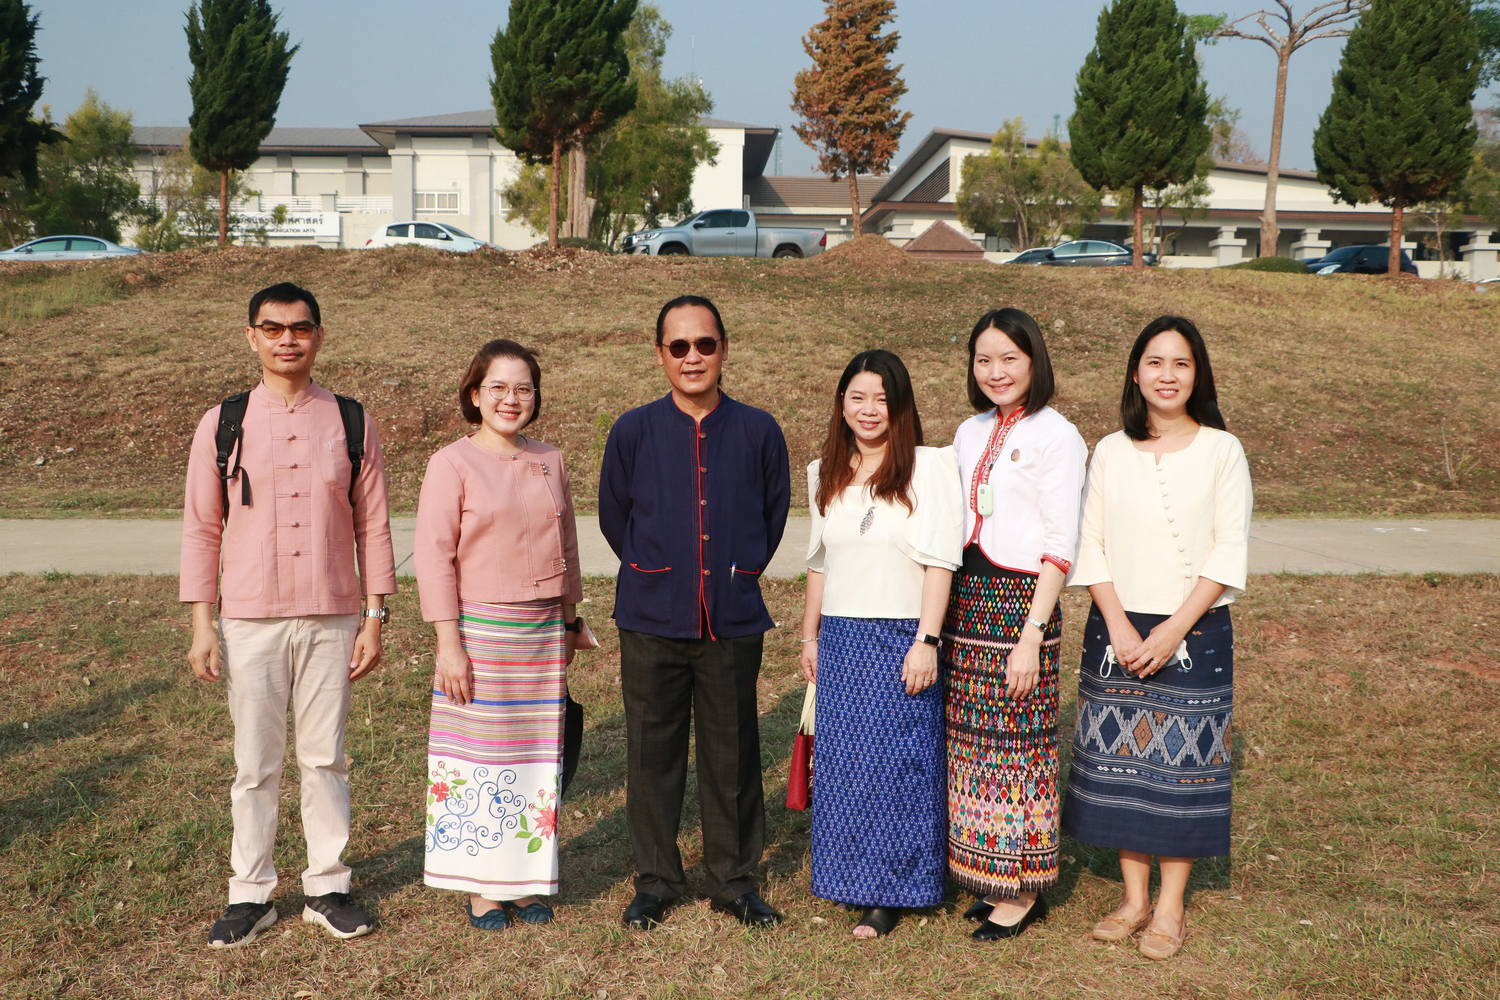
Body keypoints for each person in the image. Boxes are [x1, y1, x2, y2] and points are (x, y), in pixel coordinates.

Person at [181, 282, 396, 948]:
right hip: (251, 619)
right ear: (252, 337)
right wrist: (201, 623)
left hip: (333, 615)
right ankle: (251, 894)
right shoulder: (223, 423)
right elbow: (201, 528)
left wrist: (375, 617)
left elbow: (375, 525)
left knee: (325, 756)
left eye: (300, 328)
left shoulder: (351, 420)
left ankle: (327, 887)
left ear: (319, 336)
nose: (287, 339)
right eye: (272, 328)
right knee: (256, 762)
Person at [1062, 315, 1252, 961]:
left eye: (1181, 363)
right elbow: (1089, 542)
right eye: (1154, 362)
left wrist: (1173, 628)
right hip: (1115, 627)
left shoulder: (1222, 450)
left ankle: (1170, 907)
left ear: (1197, 374)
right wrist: (1117, 624)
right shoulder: (1110, 450)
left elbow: (1230, 549)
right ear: (1135, 373)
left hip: (1194, 631)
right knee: (1120, 764)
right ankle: (1133, 898)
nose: (1166, 375)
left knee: (1180, 768)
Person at [598, 295, 791, 930]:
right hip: (651, 617)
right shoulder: (632, 430)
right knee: (652, 754)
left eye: (704, 344)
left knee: (732, 752)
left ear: (723, 349)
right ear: (660, 354)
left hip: (730, 616)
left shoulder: (759, 430)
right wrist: (655, 569)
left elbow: (772, 513)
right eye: (678, 346)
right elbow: (613, 517)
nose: (692, 357)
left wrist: (742, 570)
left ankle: (733, 880)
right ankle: (655, 881)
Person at [414, 339, 583, 931]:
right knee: (479, 762)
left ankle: (526, 880)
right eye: (499, 388)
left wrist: (569, 620)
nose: (512, 399)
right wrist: (448, 644)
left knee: (535, 760)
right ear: (475, 395)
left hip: (539, 636)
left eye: (524, 389)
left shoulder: (550, 459)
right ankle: (483, 889)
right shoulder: (451, 462)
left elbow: (566, 546)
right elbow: (434, 557)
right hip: (479, 634)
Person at [798, 350, 963, 939]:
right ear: (841, 404)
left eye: (882, 400)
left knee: (899, 766)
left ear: (901, 407)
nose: (869, 411)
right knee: (845, 769)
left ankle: (895, 889)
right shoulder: (826, 471)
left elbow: (942, 562)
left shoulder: (928, 468)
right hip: (842, 638)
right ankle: (848, 878)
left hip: (899, 637)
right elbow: (819, 563)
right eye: (858, 397)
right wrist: (810, 635)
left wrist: (926, 640)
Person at [944, 308, 1087, 941]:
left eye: (1009, 358)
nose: (996, 371)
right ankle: (987, 876)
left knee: (1020, 747)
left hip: (1021, 603)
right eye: (984, 359)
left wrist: (1032, 633)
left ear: (1034, 362)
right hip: (966, 597)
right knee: (974, 743)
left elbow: (1060, 543)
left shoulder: (1059, 435)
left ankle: (1025, 889)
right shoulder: (968, 431)